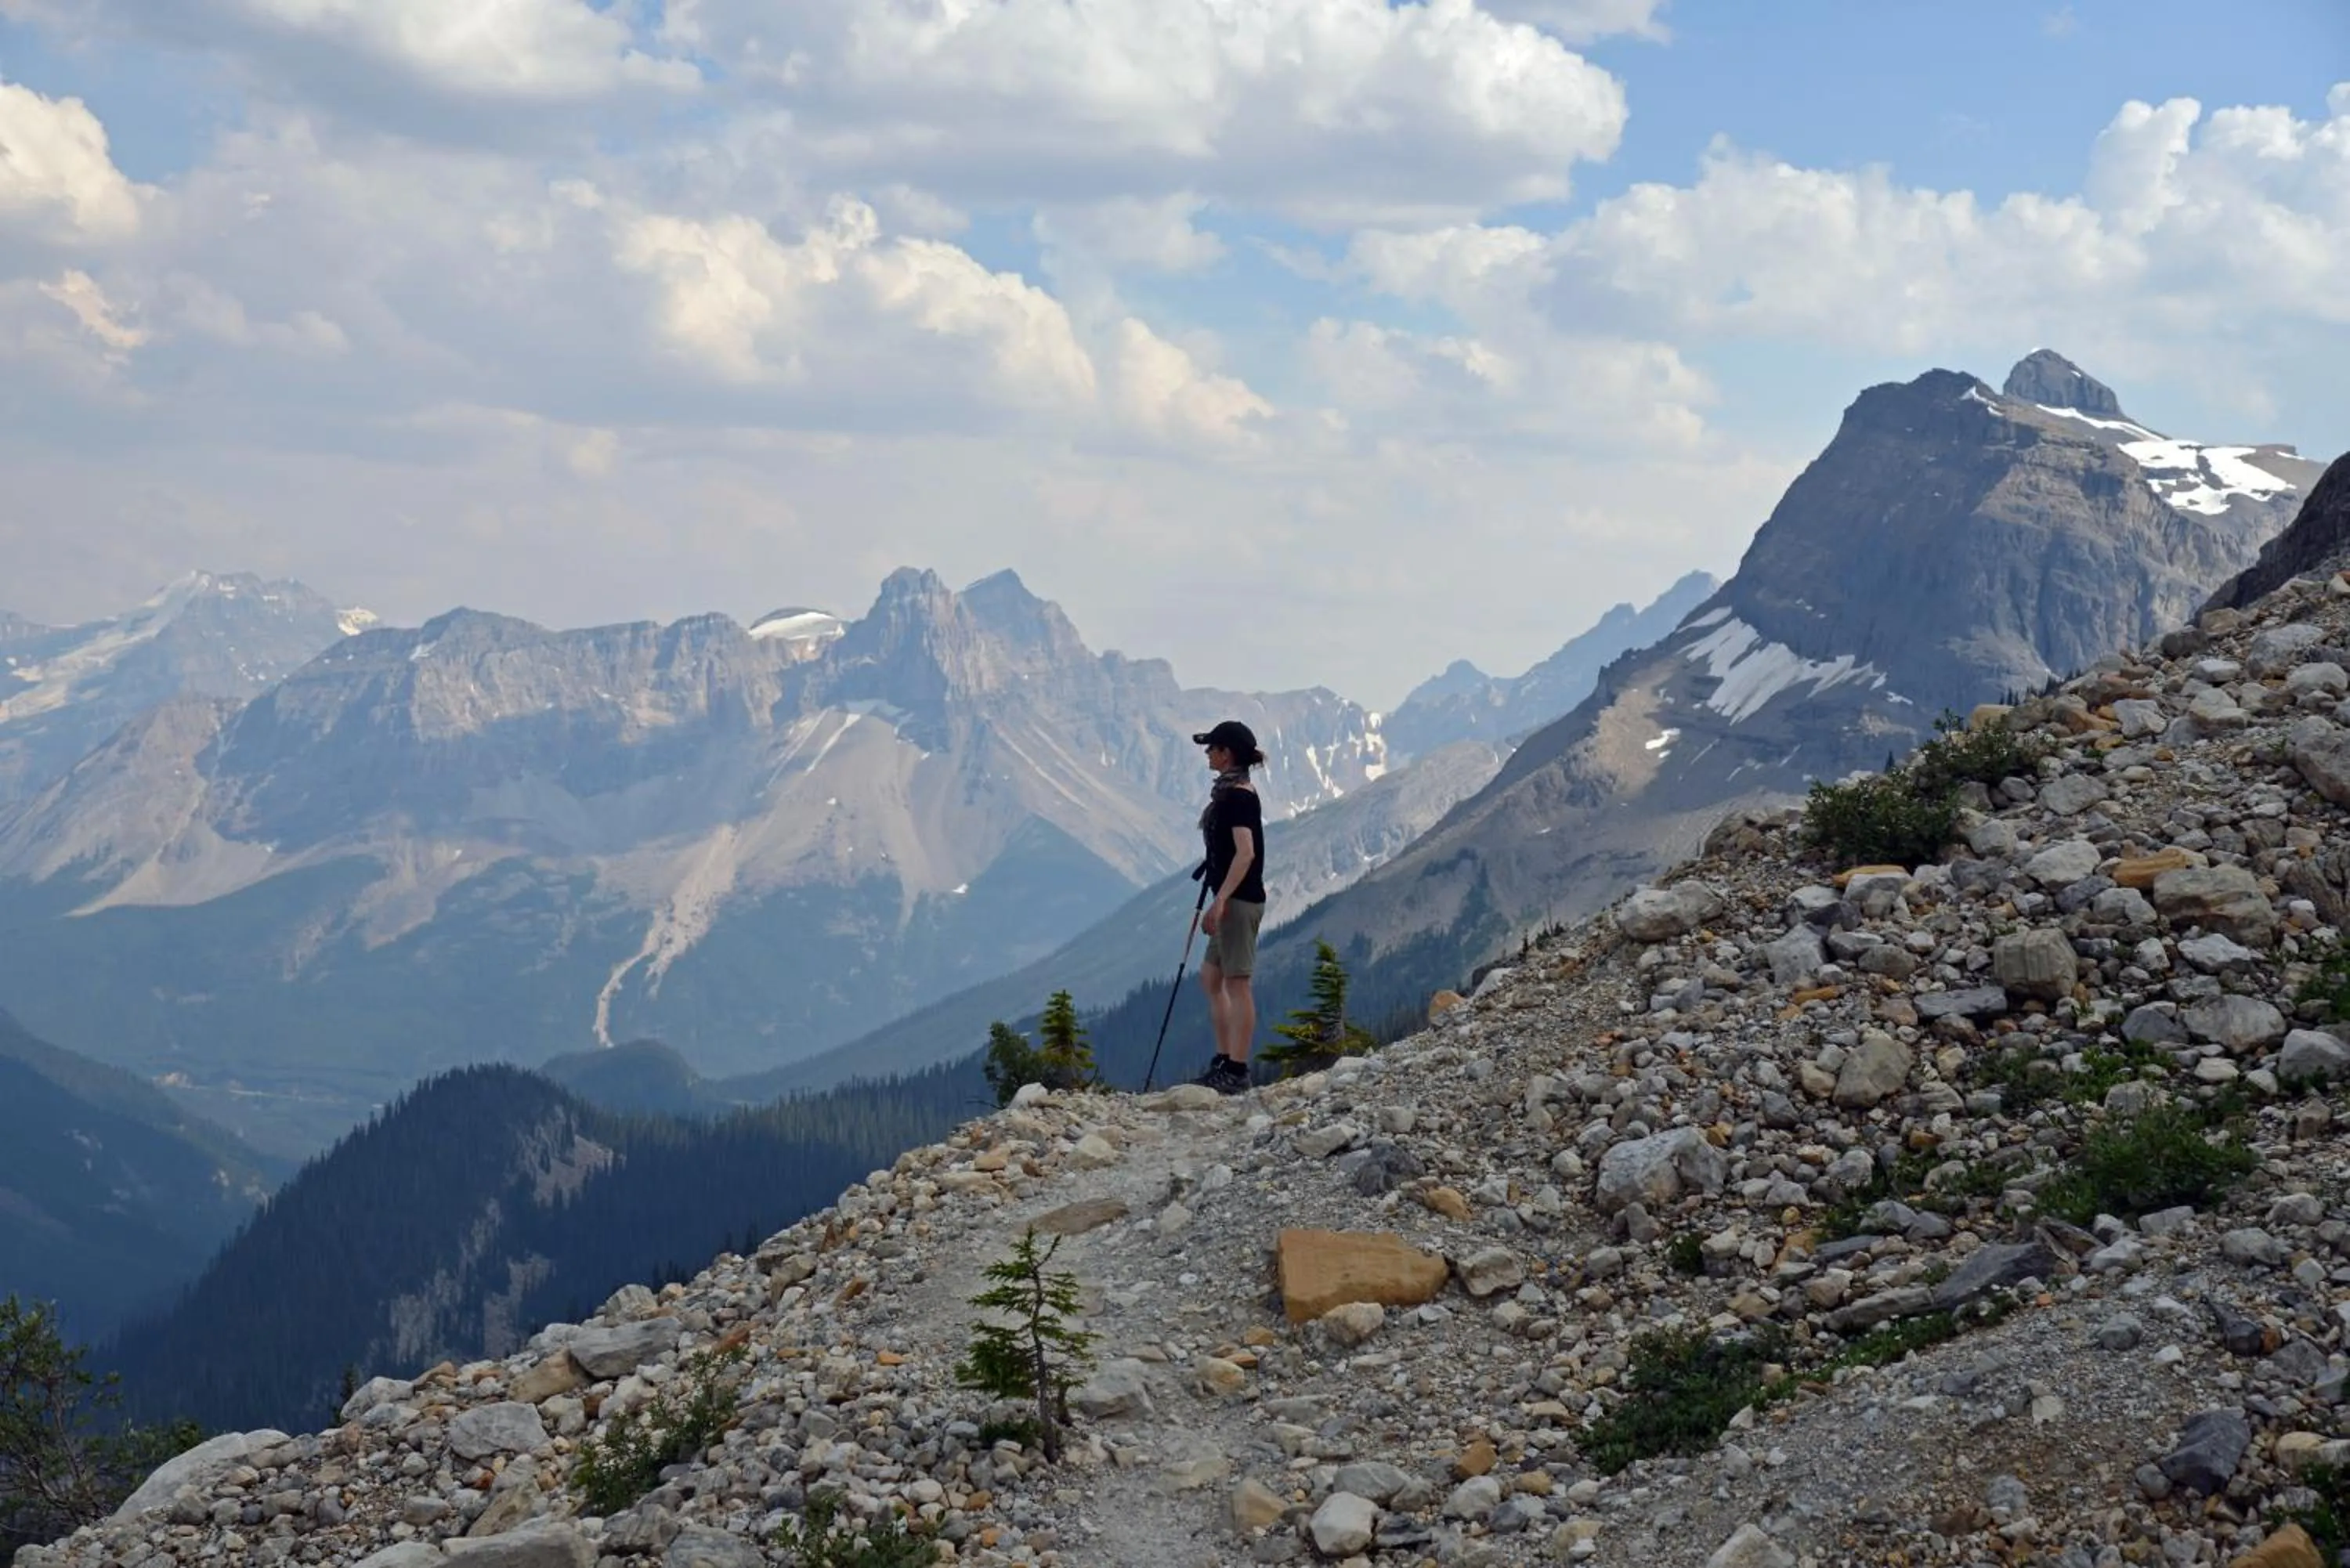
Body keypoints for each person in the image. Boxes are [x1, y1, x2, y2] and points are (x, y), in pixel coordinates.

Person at [1190, 719, 1267, 1094]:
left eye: (1213, 748)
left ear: (1228, 753)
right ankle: (1224, 1059)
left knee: (1237, 983)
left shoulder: (1238, 797)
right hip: (1229, 898)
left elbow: (1246, 852)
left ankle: (1237, 1069)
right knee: (1211, 977)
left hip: (1238, 902)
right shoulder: (1229, 792)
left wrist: (1220, 901)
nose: (1208, 753)